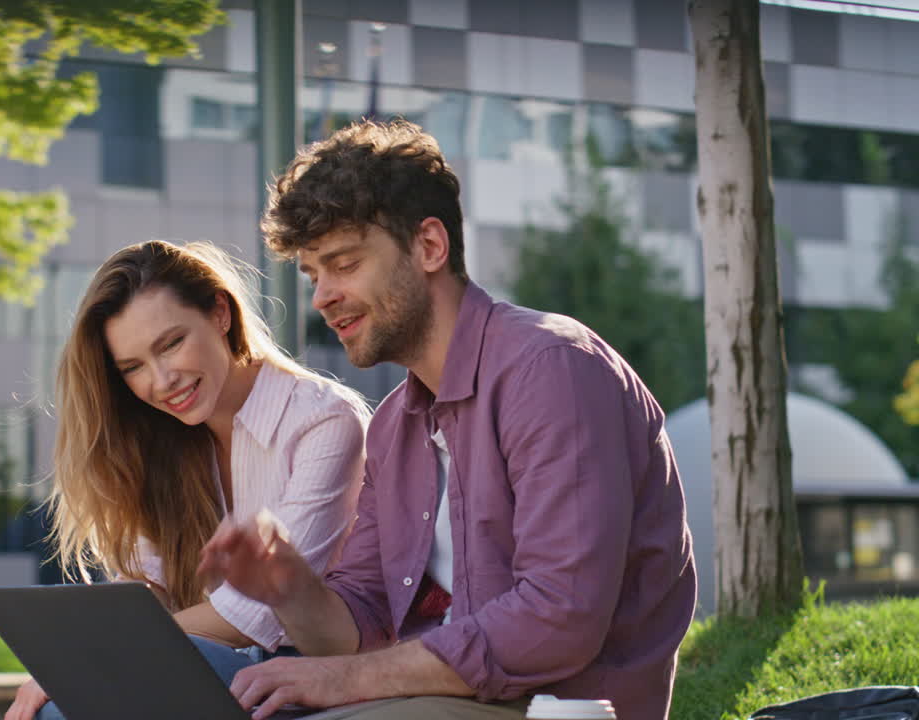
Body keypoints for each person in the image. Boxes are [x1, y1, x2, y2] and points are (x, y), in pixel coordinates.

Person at [197, 119, 698, 720]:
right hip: (429, 701)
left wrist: (346, 681)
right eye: (313, 274)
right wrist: (289, 589)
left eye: (344, 264)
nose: (321, 297)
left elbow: (559, 618)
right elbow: (360, 626)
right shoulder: (394, 426)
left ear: (430, 247)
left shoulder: (551, 369)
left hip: (550, 709)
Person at [5, 240, 370, 720]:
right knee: (57, 706)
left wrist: (101, 653)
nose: (160, 381)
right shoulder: (161, 442)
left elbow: (256, 614)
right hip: (217, 663)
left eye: (171, 344)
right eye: (133, 368)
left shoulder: (322, 421)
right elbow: (146, 589)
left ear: (220, 312)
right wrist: (86, 654)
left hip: (309, 670)